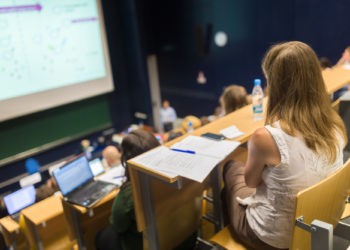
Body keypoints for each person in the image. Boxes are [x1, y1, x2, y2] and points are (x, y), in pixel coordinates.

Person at [222, 41, 347, 250]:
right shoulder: (335, 124)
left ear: (276, 85)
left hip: (272, 239)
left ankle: (222, 237)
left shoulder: (265, 137)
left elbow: (251, 182)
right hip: (319, 223)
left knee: (229, 167)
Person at [95, 129, 160, 250]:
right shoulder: (171, 177)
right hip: (179, 235)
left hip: (147, 244)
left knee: (103, 236)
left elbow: (118, 225)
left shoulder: (130, 192)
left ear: (126, 158)